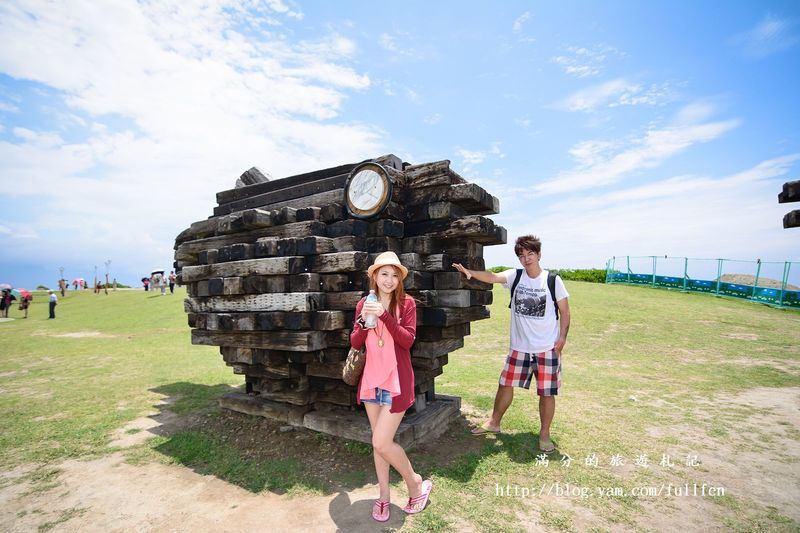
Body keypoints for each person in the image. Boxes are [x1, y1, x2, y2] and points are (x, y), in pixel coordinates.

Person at [452, 234, 571, 453]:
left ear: (539, 254)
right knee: (505, 384)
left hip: (546, 348)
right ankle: (494, 423)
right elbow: (492, 276)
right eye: (522, 255)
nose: (527, 259)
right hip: (519, 348)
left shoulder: (553, 280)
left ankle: (544, 435)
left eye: (531, 254)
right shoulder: (515, 277)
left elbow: (564, 311)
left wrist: (562, 338)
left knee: (546, 393)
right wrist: (470, 273)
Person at [350, 251, 433, 521]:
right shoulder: (364, 302)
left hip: (396, 382)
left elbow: (408, 340)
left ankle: (415, 482)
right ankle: (383, 496)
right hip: (371, 381)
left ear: (399, 280)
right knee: (379, 444)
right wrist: (364, 322)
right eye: (384, 274)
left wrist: (385, 315)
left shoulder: (407, 304)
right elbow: (354, 342)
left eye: (394, 275)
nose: (389, 280)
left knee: (381, 441)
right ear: (374, 276)